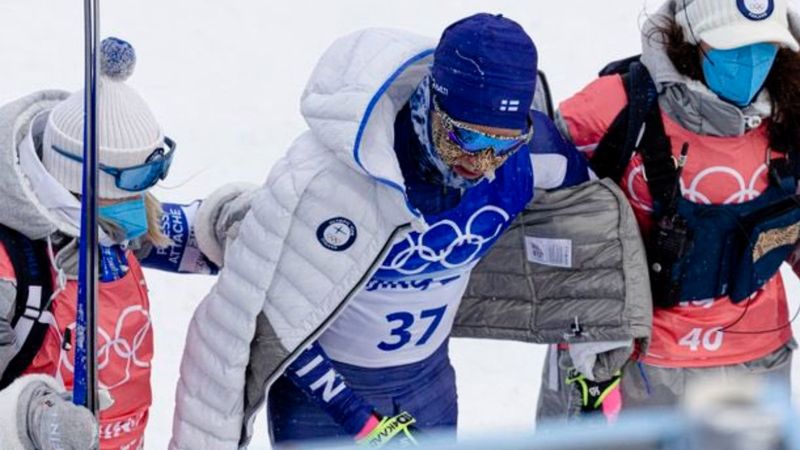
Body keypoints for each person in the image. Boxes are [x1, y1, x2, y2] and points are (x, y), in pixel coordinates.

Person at [169, 13, 592, 449]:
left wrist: (596, 339)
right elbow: (276, 323)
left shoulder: (529, 162)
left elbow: (598, 224)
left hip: (428, 383)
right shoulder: (334, 177)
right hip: (323, 401)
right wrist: (360, 422)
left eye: (503, 144)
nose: (481, 162)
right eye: (465, 139)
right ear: (432, 103)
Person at [536, 0, 800, 421]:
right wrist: (580, 323)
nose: (751, 62)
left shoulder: (793, 114)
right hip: (626, 365)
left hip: (753, 365)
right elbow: (531, 210)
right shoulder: (615, 109)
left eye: (764, 47)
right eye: (733, 47)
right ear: (691, 39)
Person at [0, 37, 234, 450]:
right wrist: (32, 419)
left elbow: (184, 235)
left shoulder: (111, 222)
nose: (140, 204)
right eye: (132, 186)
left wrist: (233, 223)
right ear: (79, 183)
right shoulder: (11, 262)